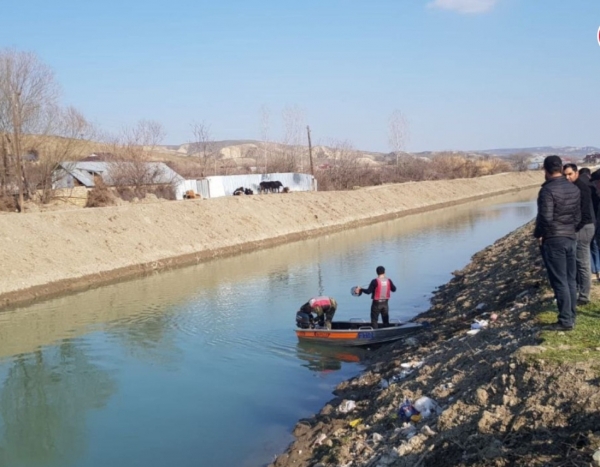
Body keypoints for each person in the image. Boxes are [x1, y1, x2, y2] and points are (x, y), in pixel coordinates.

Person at [534, 156, 581, 331]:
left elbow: (545, 217)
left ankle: (565, 321)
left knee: (559, 281)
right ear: (560, 168)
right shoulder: (573, 188)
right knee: (570, 279)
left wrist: (539, 234)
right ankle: (571, 316)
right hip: (570, 236)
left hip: (554, 239)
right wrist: (569, 229)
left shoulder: (547, 191)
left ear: (545, 170)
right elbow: (577, 216)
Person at [563, 163, 595, 304]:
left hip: (584, 228)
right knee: (578, 261)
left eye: (570, 174)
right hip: (581, 227)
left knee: (582, 262)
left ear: (576, 173)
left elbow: (585, 213)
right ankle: (580, 291)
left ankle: (584, 296)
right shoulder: (574, 186)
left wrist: (574, 228)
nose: (567, 177)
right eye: (565, 175)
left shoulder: (582, 187)